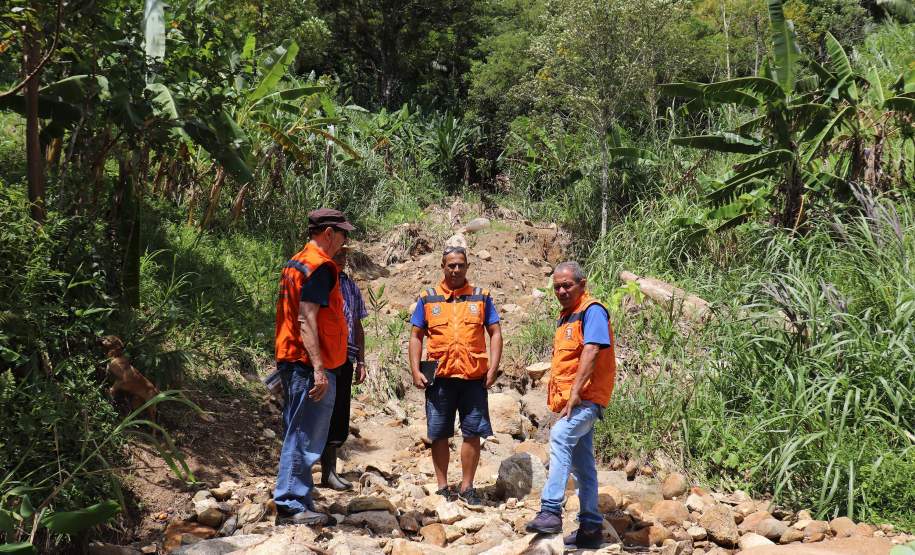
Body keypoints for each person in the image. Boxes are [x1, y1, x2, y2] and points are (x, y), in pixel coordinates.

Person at [524, 261, 617, 549]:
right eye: (557, 287)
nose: (562, 291)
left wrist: (576, 392)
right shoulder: (568, 316)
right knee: (583, 464)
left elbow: (591, 350)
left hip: (587, 398)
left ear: (582, 284)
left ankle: (551, 510)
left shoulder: (593, 311)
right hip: (574, 401)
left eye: (567, 285)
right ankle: (590, 528)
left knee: (560, 436)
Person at [273, 208, 354, 525]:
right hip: (307, 364)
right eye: (343, 234)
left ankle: (298, 500)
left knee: (298, 431)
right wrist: (320, 370)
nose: (345, 241)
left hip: (293, 357)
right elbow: (307, 318)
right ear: (329, 233)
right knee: (304, 435)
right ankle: (291, 504)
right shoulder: (320, 267)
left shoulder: (297, 262)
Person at [408, 246, 503, 506]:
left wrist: (493, 368)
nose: (456, 269)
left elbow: (494, 332)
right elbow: (416, 335)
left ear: (467, 267)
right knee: (439, 433)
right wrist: (415, 369)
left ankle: (467, 486)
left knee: (472, 432)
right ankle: (441, 487)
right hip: (439, 377)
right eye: (451, 265)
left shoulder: (481, 297)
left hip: (473, 377)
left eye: (460, 265)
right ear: (443, 266)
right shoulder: (428, 298)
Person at [320, 246, 368, 490]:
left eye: (344, 256)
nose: (342, 259)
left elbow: (358, 325)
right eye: (337, 254)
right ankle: (321, 473)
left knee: (339, 413)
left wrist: (361, 360)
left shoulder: (350, 286)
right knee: (322, 414)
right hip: (325, 356)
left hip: (345, 357)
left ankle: (330, 472)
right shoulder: (321, 280)